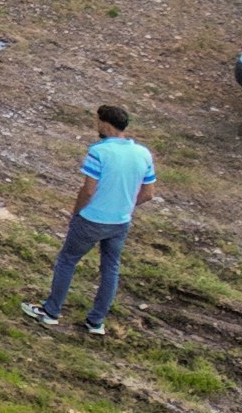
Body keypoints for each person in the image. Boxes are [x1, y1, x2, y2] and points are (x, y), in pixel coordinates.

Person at [24, 105, 159, 336]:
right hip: (120, 222)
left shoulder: (99, 152)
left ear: (105, 124)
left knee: (67, 260)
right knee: (110, 269)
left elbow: (88, 190)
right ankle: (96, 322)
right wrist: (124, 206)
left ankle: (51, 311)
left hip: (92, 219)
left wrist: (76, 213)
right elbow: (148, 193)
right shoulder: (143, 154)